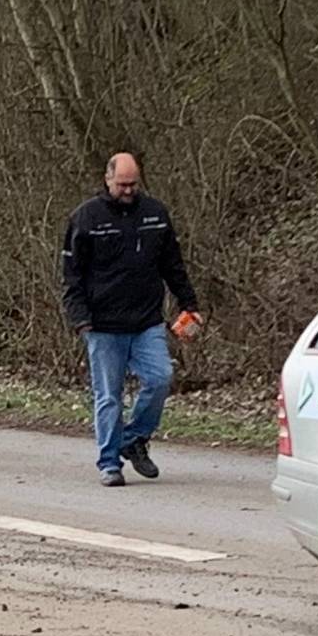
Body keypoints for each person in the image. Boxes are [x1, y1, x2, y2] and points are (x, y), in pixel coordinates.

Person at [61, 151, 200, 487]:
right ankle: (109, 463)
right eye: (122, 184)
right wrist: (80, 318)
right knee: (109, 397)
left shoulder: (155, 214)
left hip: (146, 321)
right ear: (107, 179)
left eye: (133, 184)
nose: (127, 190)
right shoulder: (86, 218)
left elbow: (172, 265)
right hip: (102, 325)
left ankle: (134, 438)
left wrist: (189, 303)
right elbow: (71, 275)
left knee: (160, 378)